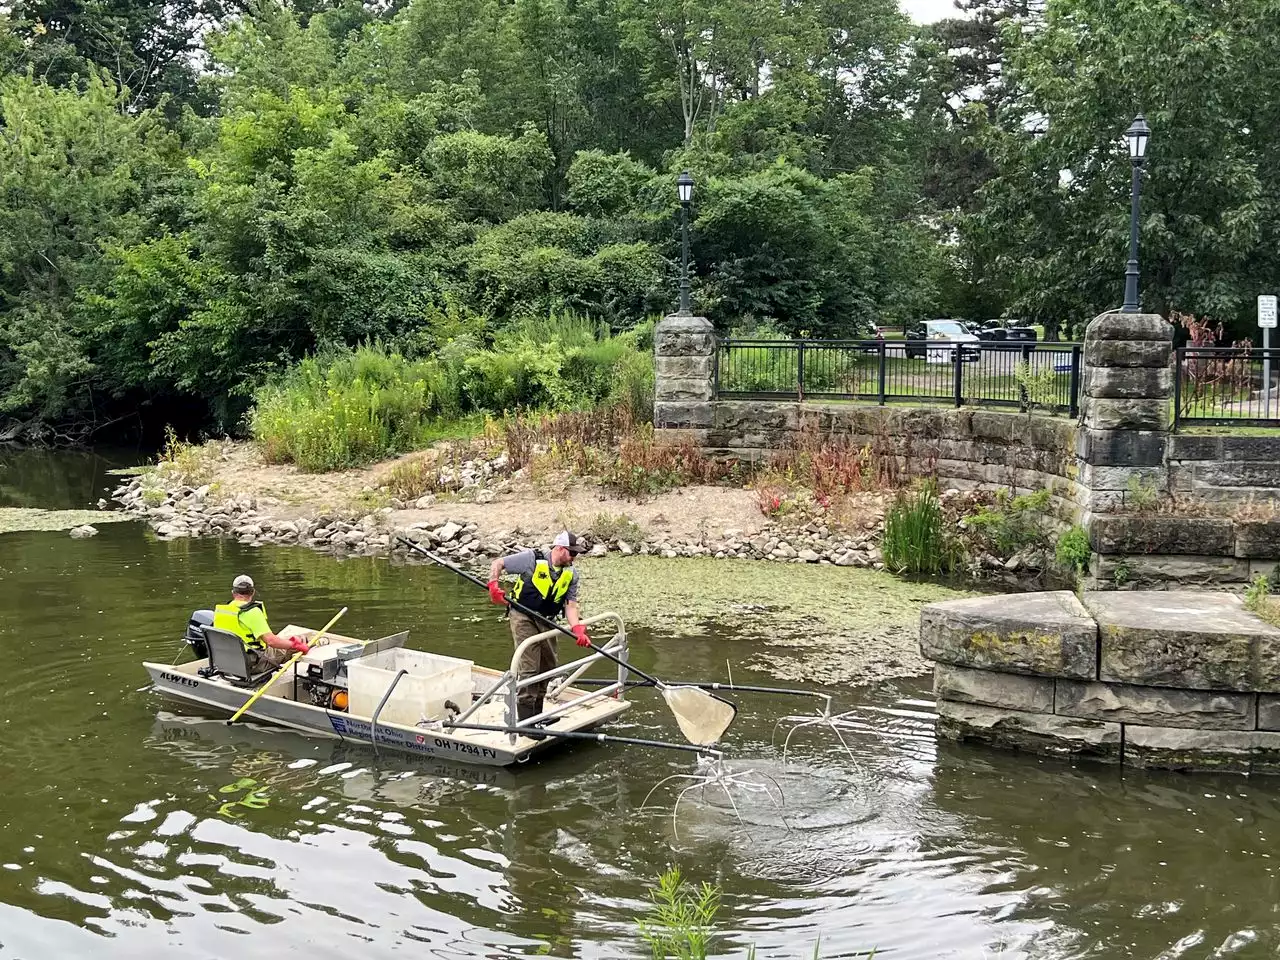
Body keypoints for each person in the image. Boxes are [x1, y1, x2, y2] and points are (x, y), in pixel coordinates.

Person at [487, 531, 590, 729]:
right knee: (530, 667)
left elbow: (570, 604)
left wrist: (578, 629)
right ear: (559, 549)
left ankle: (537, 714)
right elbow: (498, 563)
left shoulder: (571, 574)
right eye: (572, 553)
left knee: (548, 665)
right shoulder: (531, 559)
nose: (574, 558)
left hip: (548, 620)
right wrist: (493, 585)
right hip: (523, 616)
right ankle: (526, 722)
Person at [213, 574, 310, 670]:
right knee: (297, 643)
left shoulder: (222, 611)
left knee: (283, 641)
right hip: (252, 664)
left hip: (227, 661)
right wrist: (295, 645)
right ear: (253, 592)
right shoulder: (252, 612)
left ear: (233, 592)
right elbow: (271, 641)